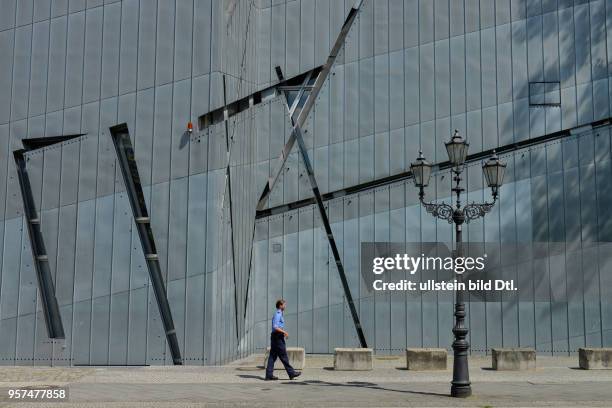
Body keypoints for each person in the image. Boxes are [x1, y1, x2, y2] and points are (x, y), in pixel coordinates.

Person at [265, 299, 301, 381]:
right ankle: (291, 373)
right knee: (283, 355)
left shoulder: (279, 313)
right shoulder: (278, 314)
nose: (285, 306)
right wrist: (284, 332)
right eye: (284, 304)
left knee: (272, 356)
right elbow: (275, 326)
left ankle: (269, 375)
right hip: (277, 337)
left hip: (275, 336)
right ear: (280, 305)